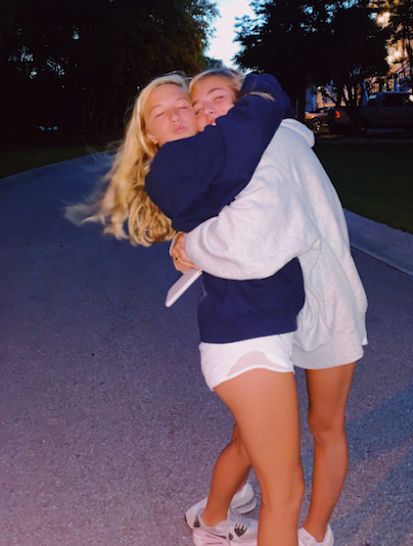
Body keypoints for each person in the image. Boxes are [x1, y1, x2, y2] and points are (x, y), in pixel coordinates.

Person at [82, 70, 308, 546]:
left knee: (247, 444)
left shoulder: (204, 165)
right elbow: (252, 122)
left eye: (181, 105)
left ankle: (211, 521)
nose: (176, 116)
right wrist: (258, 82)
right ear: (149, 134)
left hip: (249, 331)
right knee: (285, 493)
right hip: (249, 341)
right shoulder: (175, 164)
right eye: (160, 114)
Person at [166, 69, 368, 546]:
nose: (205, 111)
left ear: (244, 104)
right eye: (196, 107)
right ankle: (217, 513)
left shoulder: (273, 145)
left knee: (324, 425)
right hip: (276, 305)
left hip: (324, 301)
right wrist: (189, 242)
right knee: (258, 430)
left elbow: (253, 237)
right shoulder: (239, 151)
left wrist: (191, 246)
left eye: (216, 98)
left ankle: (315, 533)